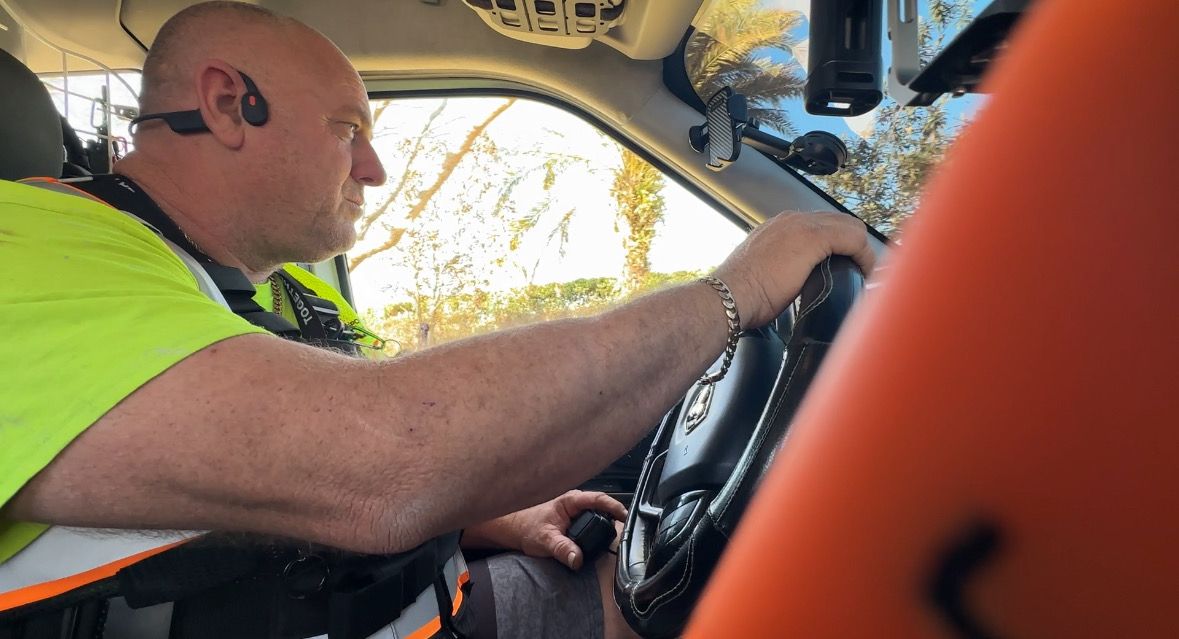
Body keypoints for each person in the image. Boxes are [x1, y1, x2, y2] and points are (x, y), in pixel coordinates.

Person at [0, 2, 873, 637]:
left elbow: (345, 453)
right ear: (230, 104)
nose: (375, 170)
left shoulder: (284, 292)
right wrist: (732, 295)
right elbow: (385, 459)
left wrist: (490, 516)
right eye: (349, 128)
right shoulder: (26, 250)